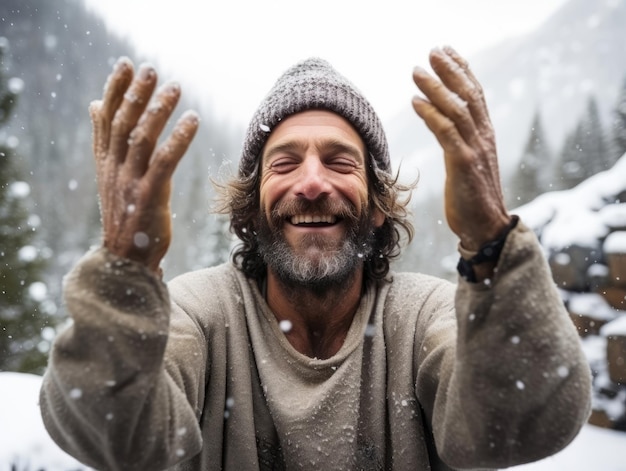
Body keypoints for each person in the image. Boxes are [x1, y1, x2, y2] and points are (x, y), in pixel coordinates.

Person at [40, 46, 591, 470]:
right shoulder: (199, 314)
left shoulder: (426, 317)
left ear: (378, 207)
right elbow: (103, 429)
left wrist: (492, 241)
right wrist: (124, 269)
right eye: (283, 164)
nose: (310, 183)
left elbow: (528, 419)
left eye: (339, 161)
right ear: (251, 210)